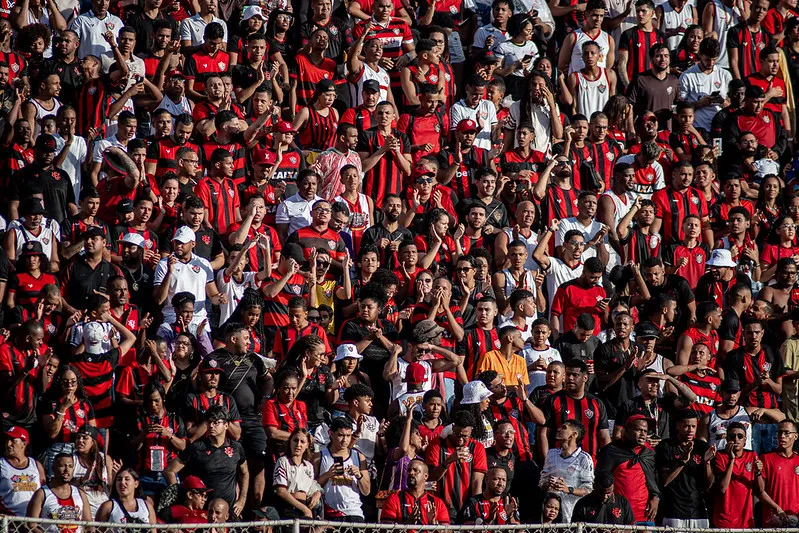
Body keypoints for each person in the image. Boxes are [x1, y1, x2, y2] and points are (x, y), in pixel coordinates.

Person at [164, 406, 249, 517]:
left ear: (226, 425)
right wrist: (179, 496)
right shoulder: (197, 448)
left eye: (216, 423)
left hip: (228, 511)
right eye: (209, 422)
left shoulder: (236, 448)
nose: (211, 426)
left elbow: (244, 473)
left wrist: (242, 499)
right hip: (203, 512)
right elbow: (169, 471)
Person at [596, 415, 661, 524]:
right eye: (638, 430)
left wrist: (656, 498)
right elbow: (600, 481)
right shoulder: (611, 451)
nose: (642, 434)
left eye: (645, 431)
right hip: (618, 514)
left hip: (645, 514)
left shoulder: (649, 454)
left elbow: (656, 480)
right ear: (625, 431)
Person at [425, 410, 487, 519]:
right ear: (453, 427)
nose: (460, 439)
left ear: (471, 431)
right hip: (443, 505)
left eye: (465, 436)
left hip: (467, 505)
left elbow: (477, 482)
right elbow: (431, 477)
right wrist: (449, 460)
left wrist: (475, 507)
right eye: (457, 434)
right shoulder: (437, 444)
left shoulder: (477, 448)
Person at [314, 417, 370, 521]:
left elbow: (366, 491)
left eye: (348, 436)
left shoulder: (358, 456)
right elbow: (312, 486)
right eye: (340, 435)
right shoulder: (320, 456)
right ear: (331, 433)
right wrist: (327, 475)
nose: (345, 440)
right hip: (330, 513)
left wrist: (359, 475)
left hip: (354, 513)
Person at [539, 420, 594, 522]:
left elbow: (588, 490)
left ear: (573, 435)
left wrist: (568, 489)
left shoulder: (584, 458)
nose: (559, 429)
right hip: (551, 516)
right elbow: (541, 483)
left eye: (564, 428)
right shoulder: (551, 454)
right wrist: (548, 484)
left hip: (572, 515)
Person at [711, 421, 760, 528]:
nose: (736, 439)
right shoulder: (720, 456)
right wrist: (731, 459)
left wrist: (759, 473)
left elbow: (759, 490)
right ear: (727, 439)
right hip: (723, 520)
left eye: (740, 436)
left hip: (746, 521)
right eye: (732, 436)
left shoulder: (752, 455)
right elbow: (722, 488)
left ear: (745, 439)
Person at [26, 453, 93, 527]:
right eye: (62, 466)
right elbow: (31, 525)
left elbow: (89, 524)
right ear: (53, 468)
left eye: (70, 466)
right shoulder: (42, 493)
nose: (67, 470)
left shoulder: (80, 494)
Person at [380, 459, 450, 525]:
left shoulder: (437, 503)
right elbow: (385, 529)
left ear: (425, 476)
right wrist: (407, 524)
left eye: (416, 470)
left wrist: (434, 524)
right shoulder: (394, 499)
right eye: (409, 470)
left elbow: (448, 530)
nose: (411, 473)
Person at [0, 426, 45, 516]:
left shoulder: (36, 465)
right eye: (7, 440)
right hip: (8, 520)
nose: (8, 444)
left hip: (33, 520)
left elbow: (44, 493)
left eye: (13, 440)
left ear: (24, 443)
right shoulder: (1, 464)